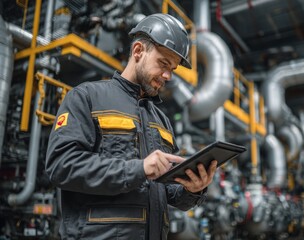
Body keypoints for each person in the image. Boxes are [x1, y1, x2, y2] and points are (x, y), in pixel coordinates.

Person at [45, 13, 217, 240]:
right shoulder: (86, 97)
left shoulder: (162, 121)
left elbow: (165, 191)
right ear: (138, 51)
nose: (167, 75)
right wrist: (139, 169)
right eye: (163, 63)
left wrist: (192, 189)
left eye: (172, 69)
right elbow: (61, 166)